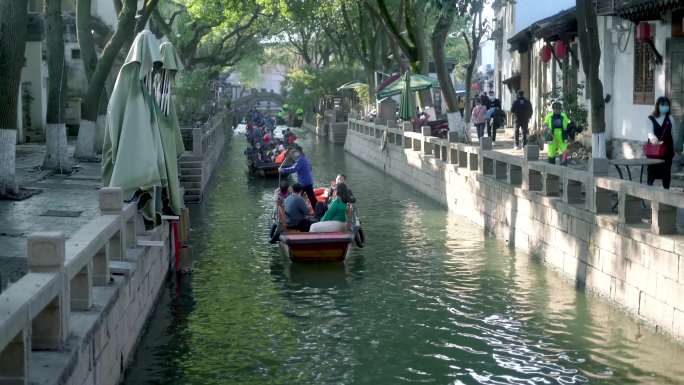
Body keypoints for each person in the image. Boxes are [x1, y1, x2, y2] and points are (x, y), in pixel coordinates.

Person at [646, 96, 676, 189]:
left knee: (666, 174)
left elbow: (674, 134)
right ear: (658, 106)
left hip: (667, 151)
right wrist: (654, 139)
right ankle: (648, 192)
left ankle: (666, 194)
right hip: (654, 153)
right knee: (651, 173)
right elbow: (649, 132)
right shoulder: (651, 118)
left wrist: (675, 148)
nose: (665, 107)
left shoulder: (670, 118)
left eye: (667, 105)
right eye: (662, 104)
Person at [544, 101, 571, 166]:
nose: (557, 110)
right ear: (553, 109)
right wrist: (547, 129)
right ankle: (551, 169)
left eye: (559, 109)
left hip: (562, 136)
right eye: (556, 109)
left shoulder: (564, 116)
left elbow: (568, 124)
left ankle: (563, 168)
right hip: (552, 136)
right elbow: (545, 124)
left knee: (564, 151)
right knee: (551, 152)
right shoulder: (549, 116)